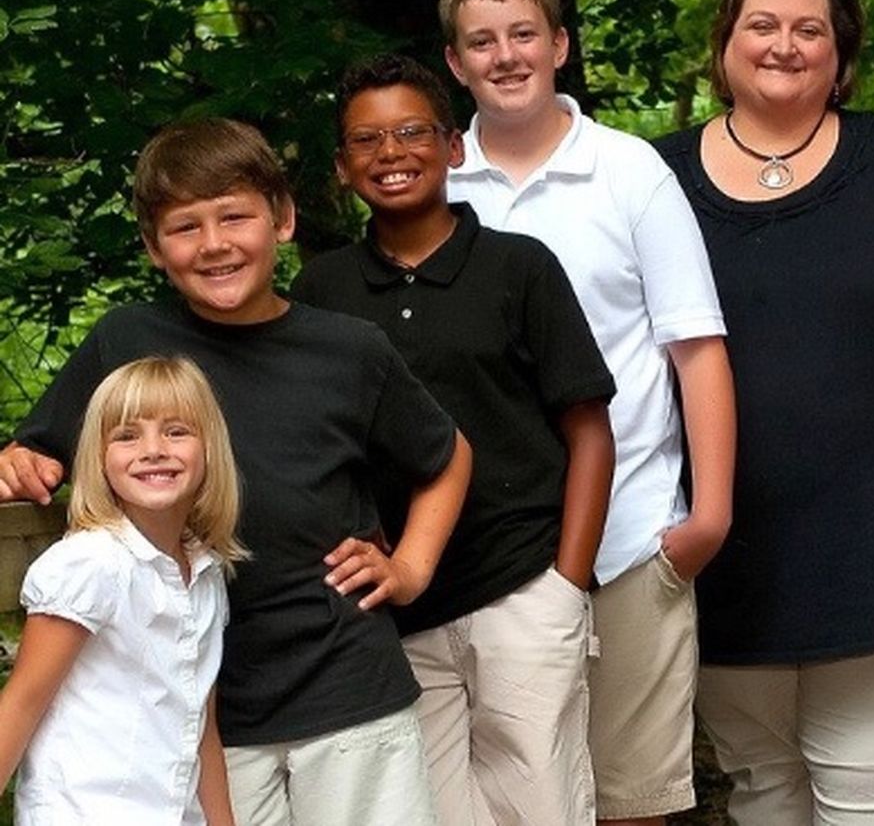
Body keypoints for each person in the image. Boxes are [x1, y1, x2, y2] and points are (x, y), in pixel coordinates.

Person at [0, 118, 473, 826]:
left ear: (282, 220)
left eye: (234, 217)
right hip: (201, 715)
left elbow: (447, 453)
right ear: (154, 247)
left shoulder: (349, 350)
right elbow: (40, 451)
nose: (214, 243)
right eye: (185, 227)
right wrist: (23, 459)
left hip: (344, 686)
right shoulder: (128, 341)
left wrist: (410, 567)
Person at [439, 0, 736, 826]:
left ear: (560, 44)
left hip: (630, 541)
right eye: (482, 41)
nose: (506, 56)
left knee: (632, 798)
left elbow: (696, 348)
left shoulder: (630, 171)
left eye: (523, 34)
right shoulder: (433, 181)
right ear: (454, 61)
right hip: (482, 552)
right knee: (508, 799)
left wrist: (707, 520)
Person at [654, 0, 874, 826]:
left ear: (840, 51)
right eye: (762, 25)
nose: (784, 45)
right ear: (725, 42)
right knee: (760, 788)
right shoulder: (651, 180)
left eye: (809, 28)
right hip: (722, 545)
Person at [291, 51, 616, 826]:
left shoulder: (518, 268)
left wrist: (567, 583)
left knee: (541, 807)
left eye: (412, 131)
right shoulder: (321, 292)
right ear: (341, 166)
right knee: (429, 811)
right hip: (394, 609)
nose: (391, 153)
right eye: (366, 140)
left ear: (453, 146)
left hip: (522, 584)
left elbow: (590, 432)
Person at [0, 356, 242, 825]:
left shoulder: (205, 572)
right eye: (127, 436)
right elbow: (21, 704)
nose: (153, 450)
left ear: (210, 448)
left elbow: (201, 727)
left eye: (176, 431)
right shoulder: (91, 564)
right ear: (99, 458)